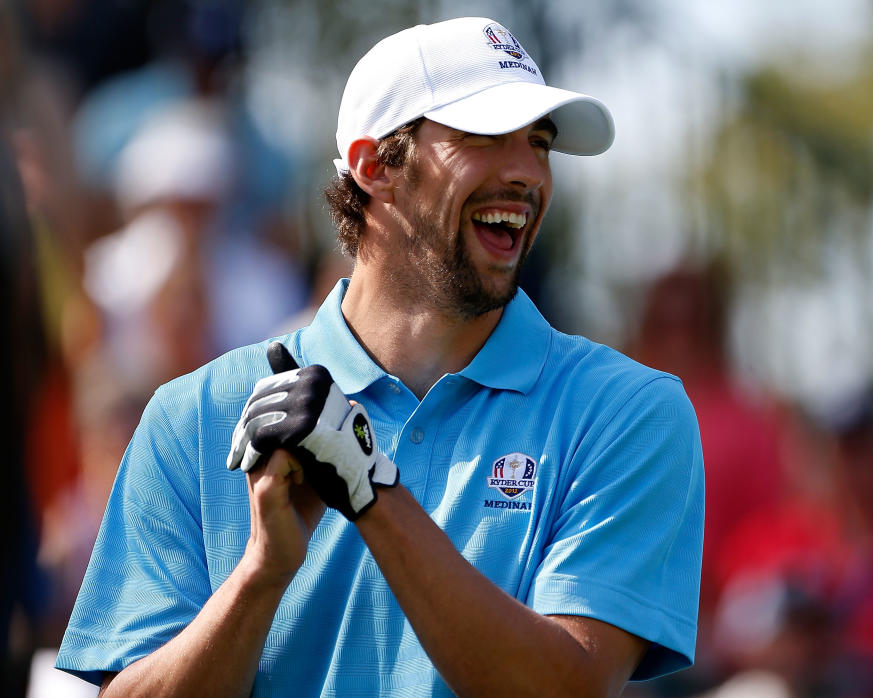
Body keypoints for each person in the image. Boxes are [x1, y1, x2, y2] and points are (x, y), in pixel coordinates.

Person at [56, 17, 704, 696]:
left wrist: (369, 489)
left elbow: (566, 687)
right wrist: (259, 576)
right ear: (374, 167)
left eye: (539, 145)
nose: (527, 173)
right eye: (484, 138)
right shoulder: (194, 414)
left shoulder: (628, 411)